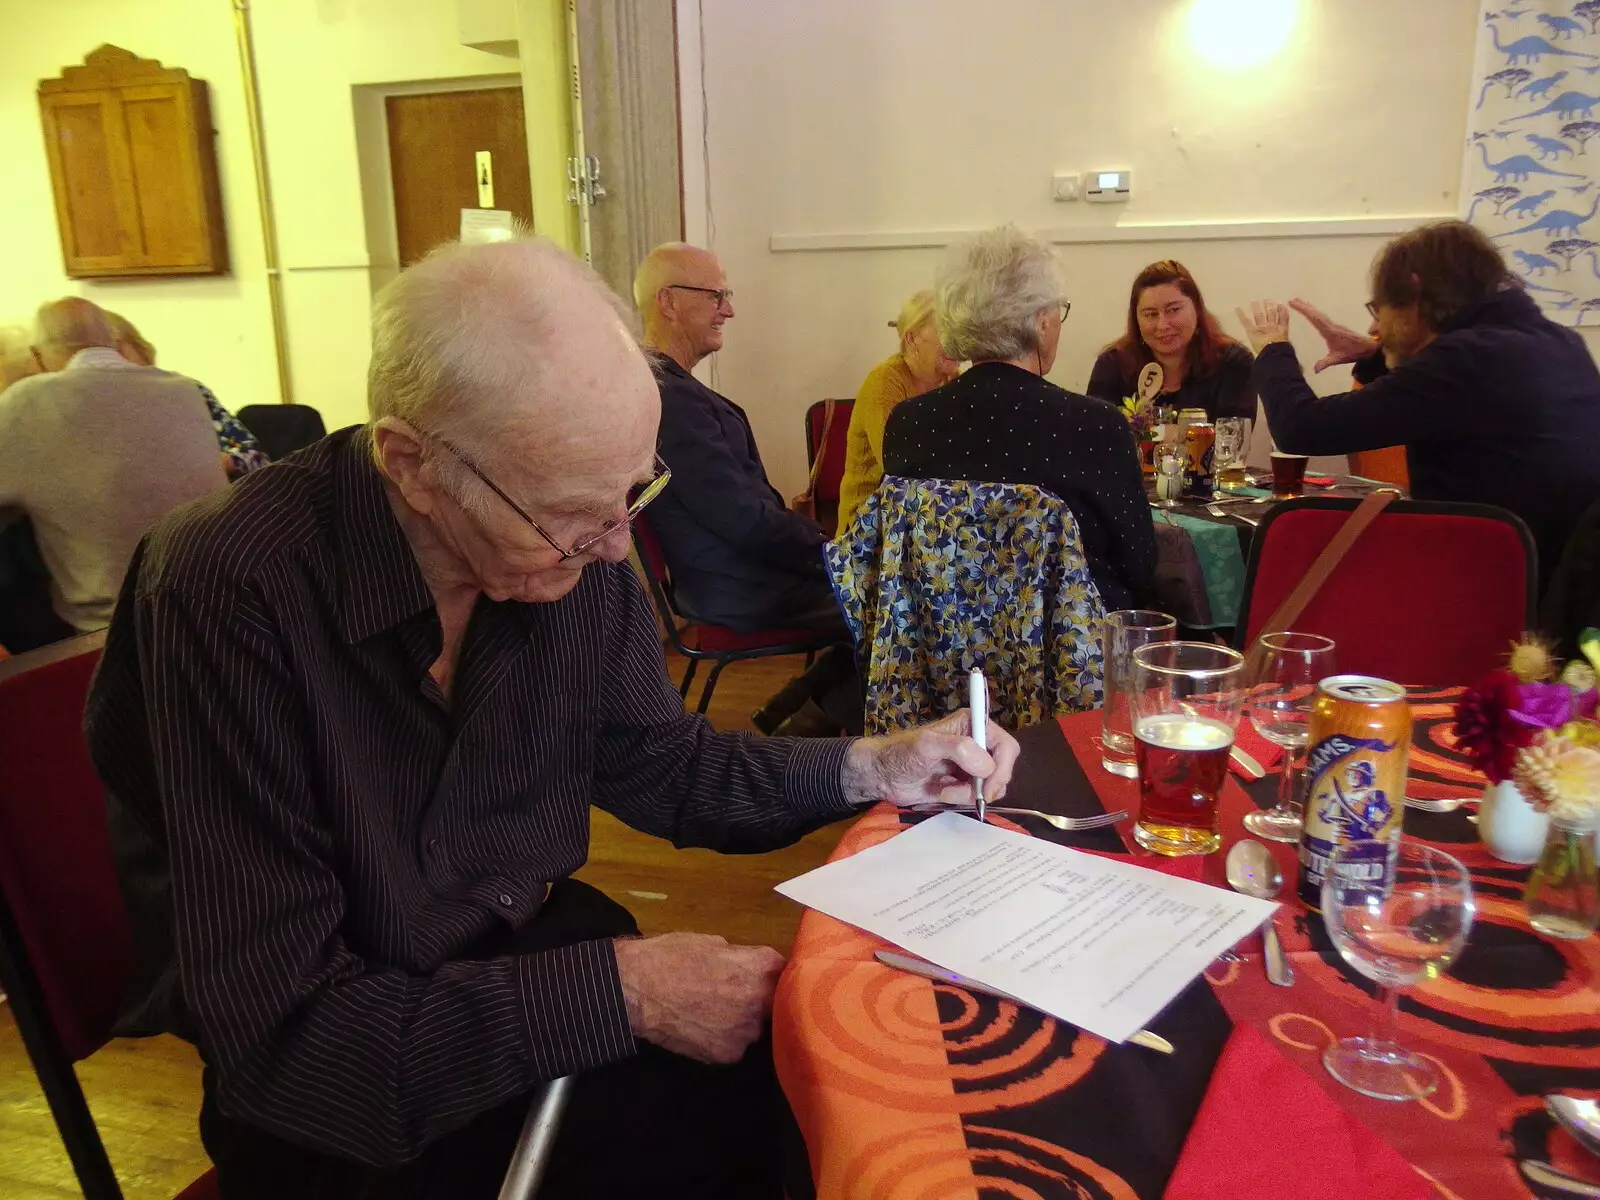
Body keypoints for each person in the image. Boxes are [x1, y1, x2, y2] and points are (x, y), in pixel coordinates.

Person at [86, 237, 1020, 1200]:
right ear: (411, 462)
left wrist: (877, 767)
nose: (617, 549)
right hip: (350, 1082)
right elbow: (290, 1046)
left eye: (634, 494)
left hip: (521, 959)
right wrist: (622, 992)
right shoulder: (228, 588)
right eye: (573, 513)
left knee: (803, 1097)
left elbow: (667, 766)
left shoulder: (573, 550)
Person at [1238, 220, 1600, 595]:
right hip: (1569, 589)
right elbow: (1444, 399)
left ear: (1413, 293)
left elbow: (1301, 429)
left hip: (1493, 591)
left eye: (1380, 308)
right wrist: (1377, 354)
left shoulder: (1464, 360)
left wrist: (1272, 349)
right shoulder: (1560, 342)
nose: (1376, 323)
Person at [635, 242, 858, 735]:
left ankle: (796, 708)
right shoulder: (671, 402)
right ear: (668, 302)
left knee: (894, 594)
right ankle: (800, 736)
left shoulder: (667, 391)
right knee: (905, 606)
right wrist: (834, 551)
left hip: (742, 574)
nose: (728, 310)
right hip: (739, 588)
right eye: (715, 297)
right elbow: (745, 522)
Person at [882, 225, 1157, 613]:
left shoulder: (909, 422)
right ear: (1042, 321)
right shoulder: (1094, 425)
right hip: (1071, 660)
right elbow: (1138, 567)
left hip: (948, 654)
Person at [0, 298, 227, 639]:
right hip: (222, 604)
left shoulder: (26, 402)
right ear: (115, 343)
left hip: (113, 633)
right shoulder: (183, 389)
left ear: (37, 356)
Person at [837, 290, 959, 522]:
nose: (957, 341)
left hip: (925, 518)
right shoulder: (884, 382)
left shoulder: (952, 380)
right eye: (945, 331)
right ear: (911, 338)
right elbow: (898, 467)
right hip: (870, 526)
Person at [104, 309, 269, 478]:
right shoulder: (94, 413)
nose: (114, 365)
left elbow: (257, 459)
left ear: (141, 349)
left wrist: (207, 463)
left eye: (119, 350)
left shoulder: (185, 392)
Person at [1086, 259, 1255, 422]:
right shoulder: (1113, 365)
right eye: (1150, 314)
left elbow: (1234, 439)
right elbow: (1096, 437)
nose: (1162, 325)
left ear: (1197, 308)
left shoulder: (1233, 362)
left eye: (1173, 310)